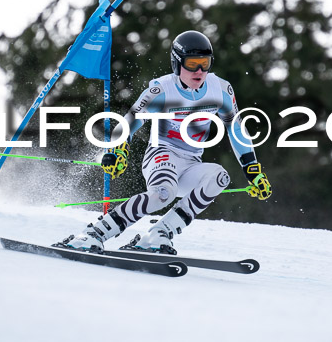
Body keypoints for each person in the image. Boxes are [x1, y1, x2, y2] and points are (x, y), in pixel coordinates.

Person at [56, 30, 271, 254]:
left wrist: (252, 169)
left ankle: (158, 234)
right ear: (177, 64)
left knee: (219, 177)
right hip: (162, 154)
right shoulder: (162, 90)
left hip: (191, 162)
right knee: (162, 194)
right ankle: (93, 233)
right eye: (192, 64)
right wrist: (118, 149)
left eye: (204, 63)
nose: (199, 71)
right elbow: (130, 120)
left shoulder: (221, 89)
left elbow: (235, 128)